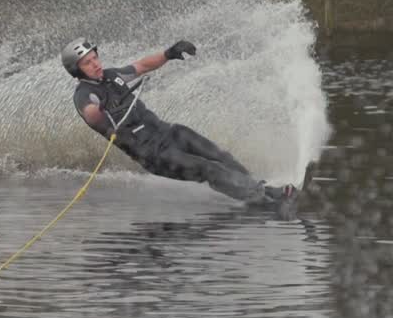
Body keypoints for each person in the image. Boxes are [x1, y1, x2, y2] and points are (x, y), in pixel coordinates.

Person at [61, 38, 296, 205]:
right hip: (153, 154)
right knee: (209, 169)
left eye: (95, 57)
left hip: (169, 133)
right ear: (77, 70)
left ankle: (262, 189)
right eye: (87, 63)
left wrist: (168, 53)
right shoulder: (85, 95)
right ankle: (261, 200)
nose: (95, 64)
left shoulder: (113, 76)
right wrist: (100, 111)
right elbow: (89, 112)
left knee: (219, 156)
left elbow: (142, 65)